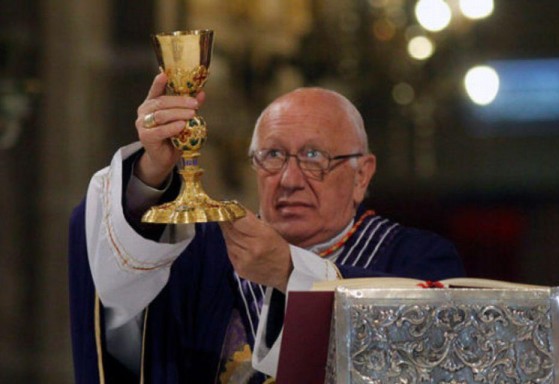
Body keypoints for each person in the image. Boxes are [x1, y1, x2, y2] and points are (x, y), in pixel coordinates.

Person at [68, 73, 465, 383]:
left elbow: (429, 363)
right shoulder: (203, 254)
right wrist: (152, 172)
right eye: (272, 155)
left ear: (362, 174)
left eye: (314, 156)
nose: (289, 178)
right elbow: (118, 279)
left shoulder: (420, 260)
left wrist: (290, 274)